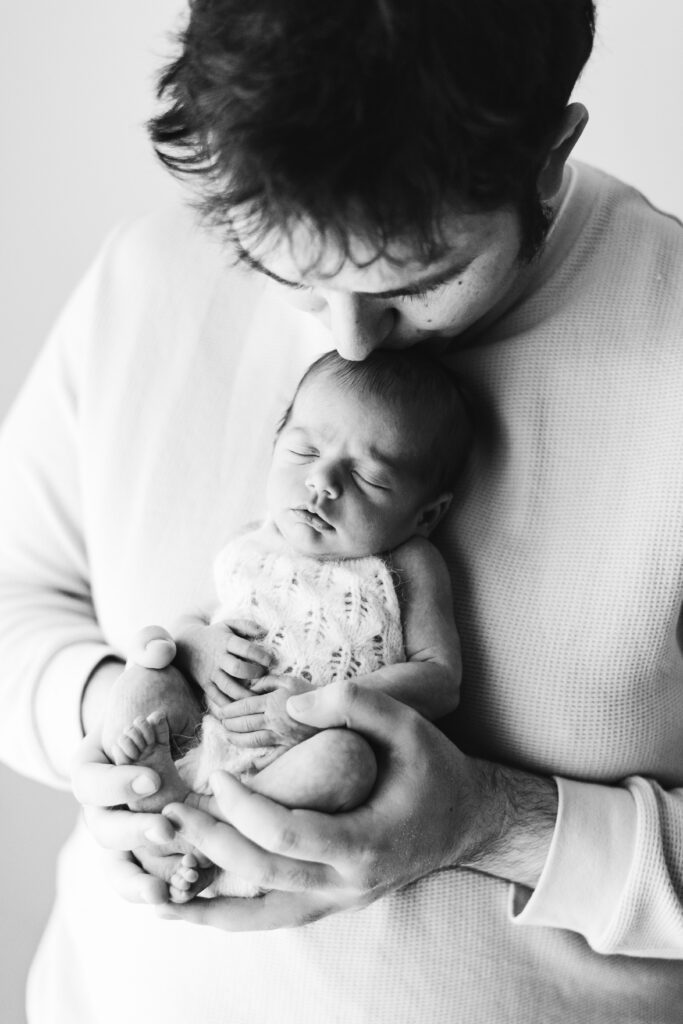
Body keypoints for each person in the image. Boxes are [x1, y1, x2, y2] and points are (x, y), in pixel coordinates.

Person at [1, 0, 682, 1021]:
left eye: (420, 279)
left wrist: (496, 823)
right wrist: (104, 716)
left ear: (549, 158)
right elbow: (19, 596)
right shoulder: (148, 275)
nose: (350, 345)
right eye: (287, 270)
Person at [104, 348, 466, 901]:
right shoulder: (253, 540)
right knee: (142, 681)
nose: (322, 481)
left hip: (297, 764)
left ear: (425, 514)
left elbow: (440, 679)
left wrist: (317, 705)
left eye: (369, 478)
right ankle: (160, 813)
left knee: (348, 765)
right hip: (205, 733)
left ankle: (205, 826)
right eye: (304, 450)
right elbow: (194, 621)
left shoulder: (408, 562)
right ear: (276, 447)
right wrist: (199, 647)